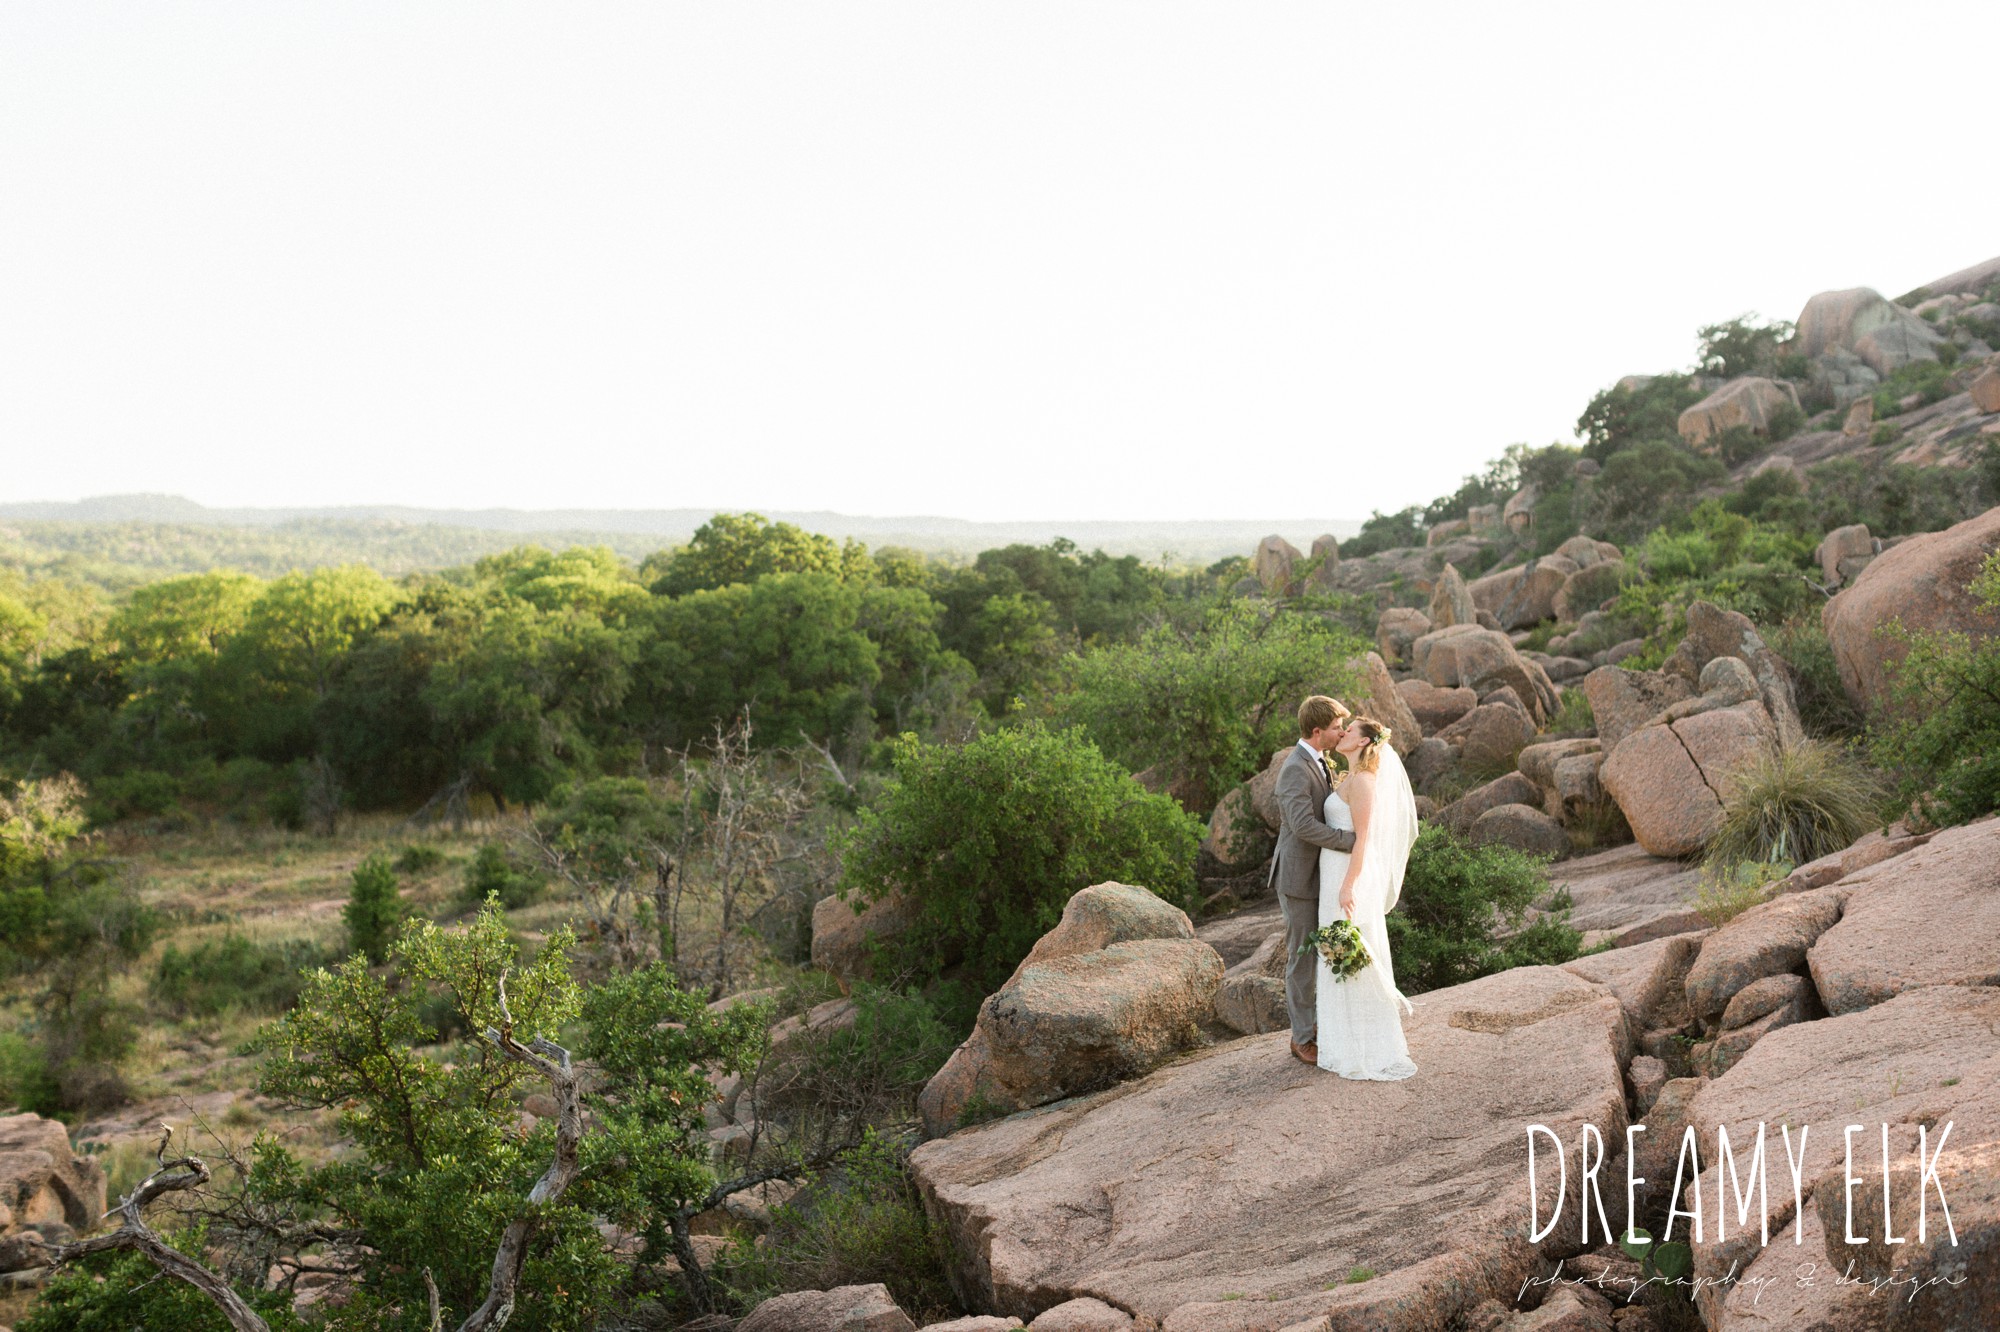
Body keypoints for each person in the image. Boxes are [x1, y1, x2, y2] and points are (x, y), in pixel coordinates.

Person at [1316, 716, 1420, 1081]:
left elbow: (1363, 840)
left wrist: (1348, 886)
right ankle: (1343, 1040)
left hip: (1346, 877)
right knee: (1336, 956)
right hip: (1333, 875)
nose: (1342, 733)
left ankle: (1364, 1045)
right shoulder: (1350, 777)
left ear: (1362, 742)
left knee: (1350, 957)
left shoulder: (1362, 782)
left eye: (1350, 730)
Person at [1268, 694, 1355, 1066]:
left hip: (1323, 875)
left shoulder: (1322, 760)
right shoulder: (1294, 769)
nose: (1342, 732)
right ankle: (1302, 1038)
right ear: (1317, 731)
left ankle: (1326, 1023)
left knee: (1335, 949)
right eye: (1337, 728)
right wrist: (1348, 842)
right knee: (1303, 957)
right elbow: (1303, 826)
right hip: (1298, 879)